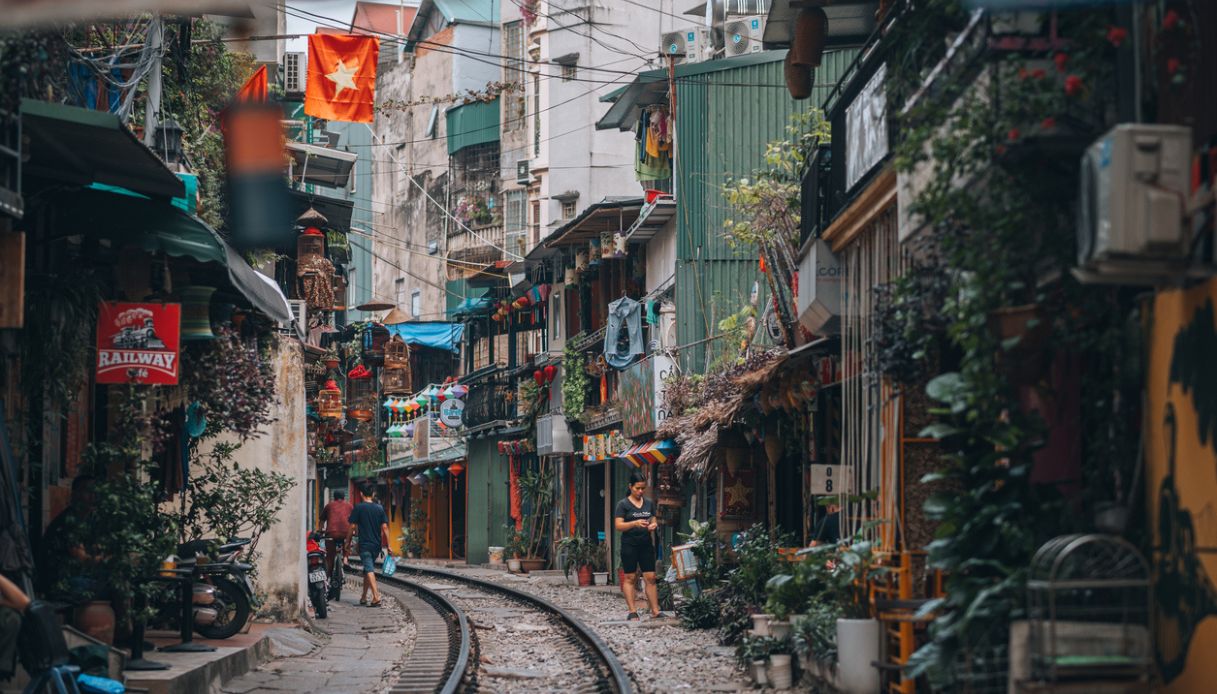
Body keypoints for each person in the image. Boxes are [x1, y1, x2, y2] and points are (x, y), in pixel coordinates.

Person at [613, 470, 661, 620]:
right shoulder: (623, 504)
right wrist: (634, 523)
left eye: (642, 488)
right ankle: (632, 611)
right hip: (629, 545)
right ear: (630, 486)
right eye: (637, 488)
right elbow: (618, 525)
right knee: (630, 577)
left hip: (646, 544)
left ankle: (655, 611)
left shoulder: (648, 503)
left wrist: (654, 525)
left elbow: (653, 518)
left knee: (651, 577)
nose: (640, 491)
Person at [346, 483, 389, 607]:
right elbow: (385, 527)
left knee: (369, 569)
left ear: (361, 494)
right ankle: (364, 597)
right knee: (366, 569)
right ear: (373, 494)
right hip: (377, 545)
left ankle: (376, 596)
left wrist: (347, 543)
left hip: (365, 544)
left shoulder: (359, 508)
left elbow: (352, 526)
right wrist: (389, 545)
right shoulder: (380, 508)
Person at [317, 490, 353, 576]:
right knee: (347, 541)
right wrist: (356, 532)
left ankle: (328, 574)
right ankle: (345, 559)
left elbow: (322, 520)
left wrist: (321, 531)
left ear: (334, 497)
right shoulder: (350, 506)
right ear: (344, 497)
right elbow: (354, 521)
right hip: (346, 533)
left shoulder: (329, 506)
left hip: (331, 533)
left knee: (330, 556)